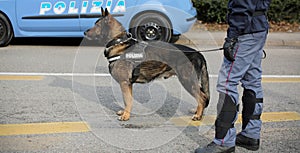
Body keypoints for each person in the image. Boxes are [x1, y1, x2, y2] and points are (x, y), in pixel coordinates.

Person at [195, 0, 271, 152]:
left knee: (227, 84)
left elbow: (242, 5)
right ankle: (251, 134)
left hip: (245, 31)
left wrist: (232, 37)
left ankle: (223, 142)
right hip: (259, 26)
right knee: (252, 81)